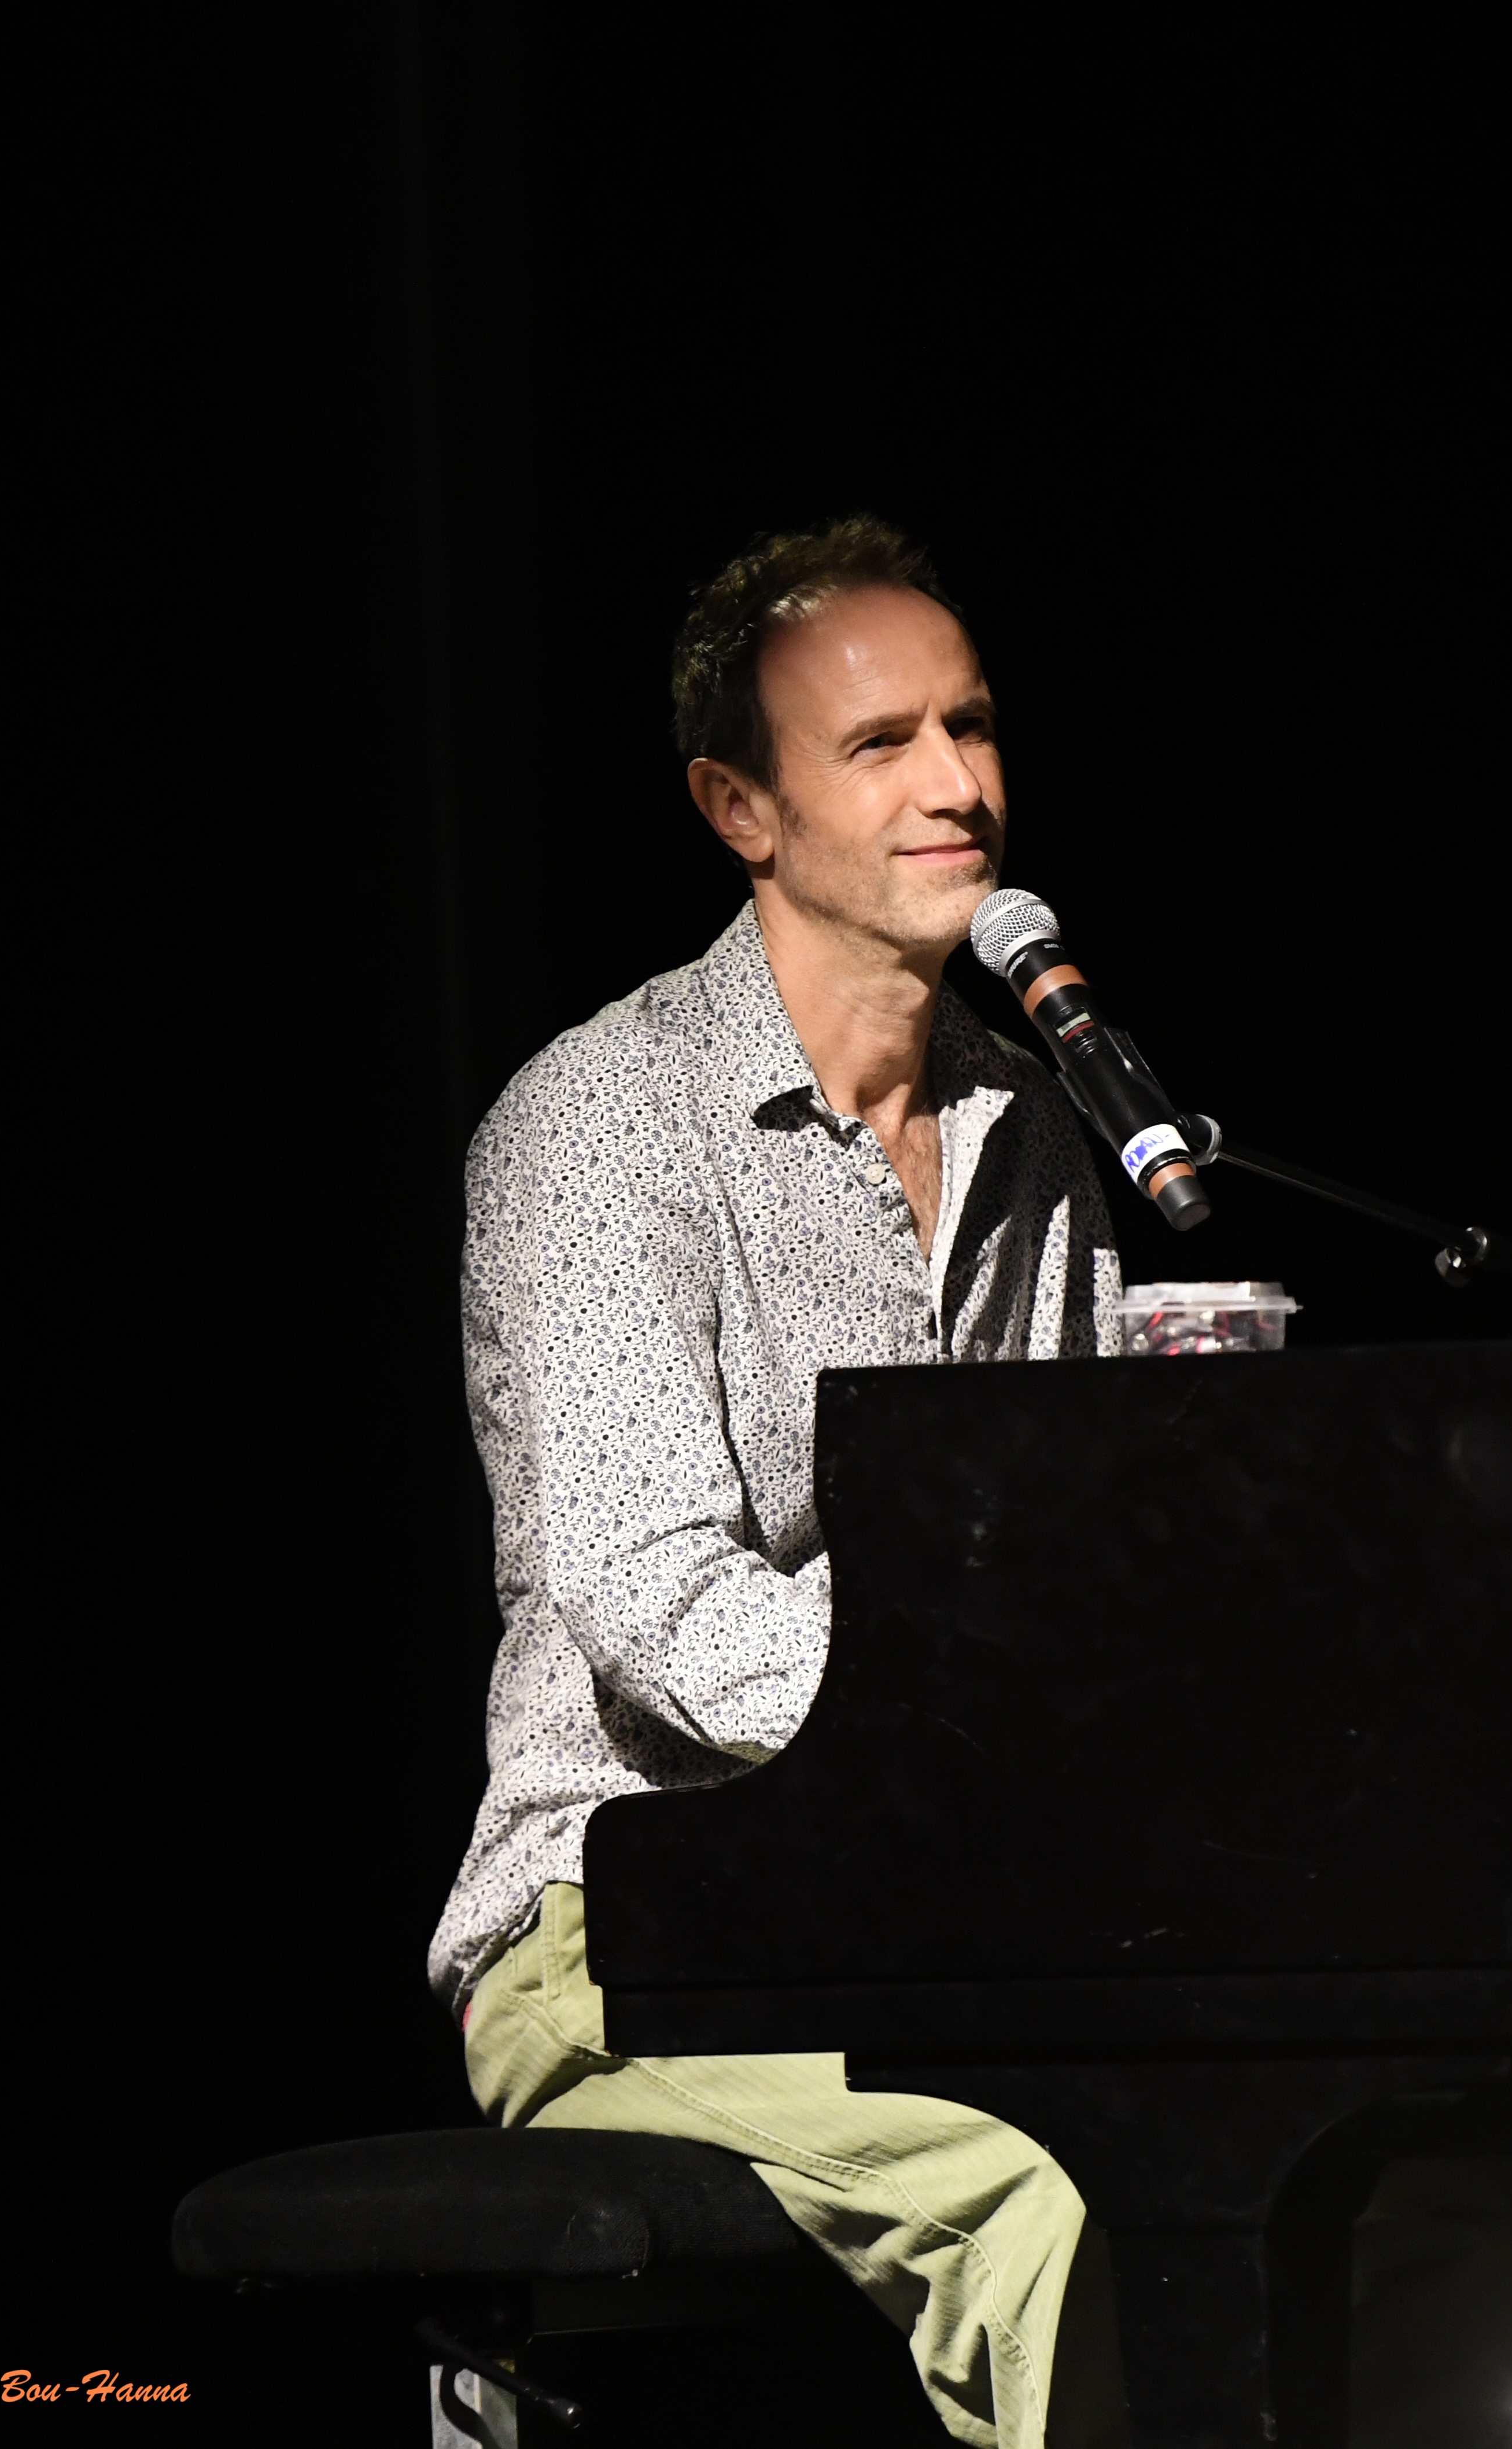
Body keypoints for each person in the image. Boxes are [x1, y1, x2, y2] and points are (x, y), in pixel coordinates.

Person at [425, 515, 1129, 2448]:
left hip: (945, 1918)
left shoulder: (1039, 1130)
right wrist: (986, 1745)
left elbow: (1082, 1560)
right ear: (740, 807)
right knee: (1044, 2198)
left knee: (1374, 2160)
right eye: (881, 743)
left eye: (972, 726)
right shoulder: (600, 1119)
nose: (958, 785)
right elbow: (657, 1602)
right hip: (622, 1930)